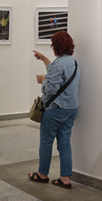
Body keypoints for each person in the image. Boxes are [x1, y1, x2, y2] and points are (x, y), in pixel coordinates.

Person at [27, 31, 80, 189]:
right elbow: (60, 74)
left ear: (56, 46)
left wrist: (43, 81)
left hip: (56, 109)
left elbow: (51, 88)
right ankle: (65, 178)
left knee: (46, 142)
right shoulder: (73, 62)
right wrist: (44, 60)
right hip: (72, 109)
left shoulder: (58, 64)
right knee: (64, 143)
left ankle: (42, 174)